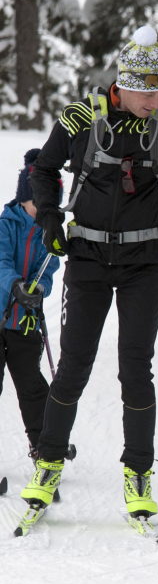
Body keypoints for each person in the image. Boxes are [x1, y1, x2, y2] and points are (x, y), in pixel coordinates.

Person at [22, 25, 158, 522]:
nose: (157, 98)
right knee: (73, 367)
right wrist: (49, 216)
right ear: (125, 82)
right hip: (88, 260)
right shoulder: (80, 118)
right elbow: (42, 171)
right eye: (149, 88)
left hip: (144, 265)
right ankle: (48, 463)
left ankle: (138, 473)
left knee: (135, 368)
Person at [0, 149, 61, 459]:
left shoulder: (48, 233)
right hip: (1, 315)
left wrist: (40, 290)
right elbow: (1, 262)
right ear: (24, 199)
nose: (43, 209)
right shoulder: (5, 226)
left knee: (33, 389)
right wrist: (16, 286)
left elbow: (49, 270)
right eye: (39, 203)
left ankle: (44, 448)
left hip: (24, 321)